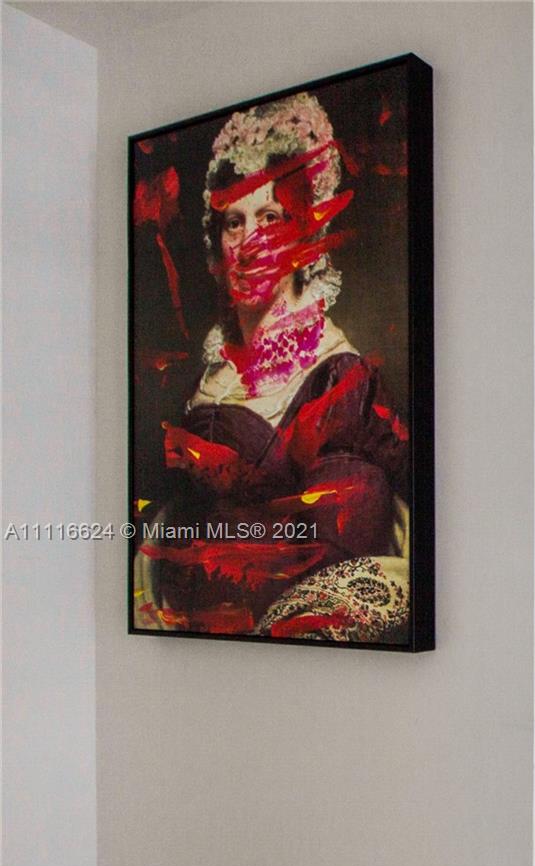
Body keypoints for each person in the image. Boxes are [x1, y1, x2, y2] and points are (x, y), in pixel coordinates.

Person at [135, 91, 410, 642]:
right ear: (217, 245)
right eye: (234, 223)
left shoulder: (339, 380)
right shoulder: (201, 382)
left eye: (270, 218)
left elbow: (341, 551)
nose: (250, 243)